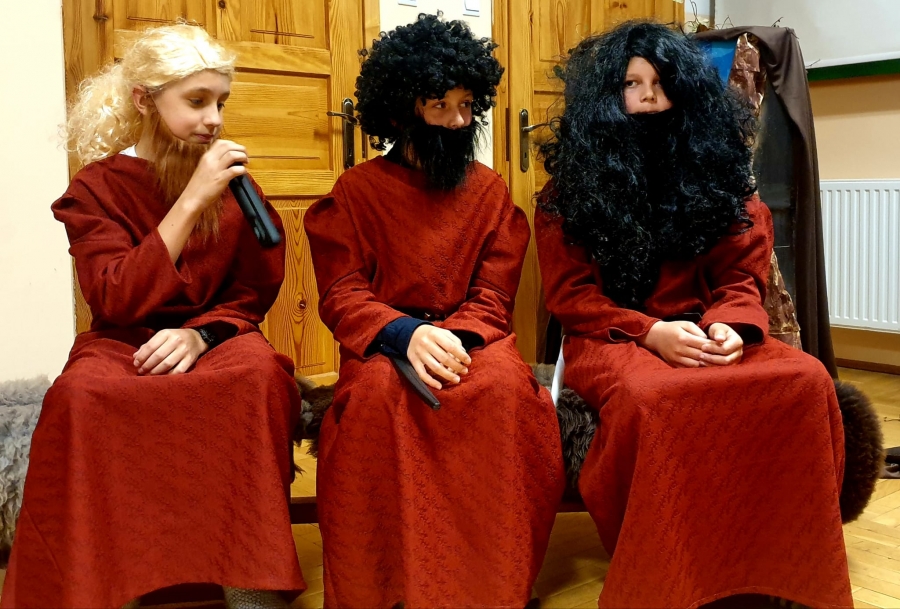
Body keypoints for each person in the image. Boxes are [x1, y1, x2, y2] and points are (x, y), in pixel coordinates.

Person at [535, 21, 852, 609]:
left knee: (805, 380)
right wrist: (651, 332)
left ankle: (775, 563)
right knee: (653, 398)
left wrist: (731, 323)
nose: (649, 99)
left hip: (708, 325)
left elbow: (741, 277)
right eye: (633, 84)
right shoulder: (565, 194)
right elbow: (571, 298)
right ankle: (672, 574)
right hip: (610, 337)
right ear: (607, 95)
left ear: (686, 92)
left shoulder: (723, 181)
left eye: (661, 84)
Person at [1, 23, 305, 609]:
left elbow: (252, 290)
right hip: (124, 339)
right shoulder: (96, 187)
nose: (213, 119)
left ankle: (250, 588)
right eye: (196, 101)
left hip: (217, 337)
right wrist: (192, 199)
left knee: (260, 379)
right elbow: (114, 296)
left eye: (220, 103)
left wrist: (200, 336)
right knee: (81, 397)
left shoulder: (236, 186)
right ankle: (108, 585)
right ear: (144, 100)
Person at [304, 13, 566, 609]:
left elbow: (494, 296)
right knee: (376, 400)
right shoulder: (354, 192)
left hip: (471, 340)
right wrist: (404, 334)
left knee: (504, 393)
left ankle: (491, 585)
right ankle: (387, 587)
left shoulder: (490, 191)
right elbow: (342, 292)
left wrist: (453, 338)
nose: (459, 121)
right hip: (384, 343)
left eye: (467, 105)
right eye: (440, 106)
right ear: (401, 111)